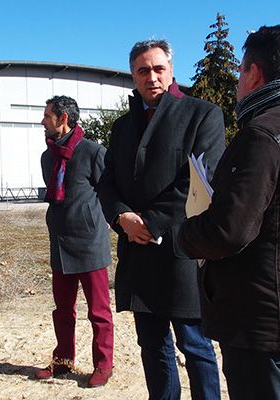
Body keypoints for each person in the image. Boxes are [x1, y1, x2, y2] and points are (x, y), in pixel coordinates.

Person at [177, 25, 280, 400]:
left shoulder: (262, 135)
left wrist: (185, 233)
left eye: (240, 71)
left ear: (254, 73)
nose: (238, 82)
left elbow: (228, 231)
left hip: (262, 320)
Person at [97, 40, 225, 400]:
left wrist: (150, 222)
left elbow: (199, 179)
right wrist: (121, 216)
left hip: (182, 248)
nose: (151, 77)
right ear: (133, 76)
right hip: (138, 253)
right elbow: (106, 182)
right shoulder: (123, 127)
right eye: (142, 70)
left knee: (195, 344)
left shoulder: (202, 115)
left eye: (158, 69)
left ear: (171, 70)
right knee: (152, 345)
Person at [35, 96, 114, 387]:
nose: (42, 121)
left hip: (90, 243)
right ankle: (63, 361)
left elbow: (109, 191)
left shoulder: (93, 152)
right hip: (60, 243)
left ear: (63, 118)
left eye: (47, 116)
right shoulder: (47, 157)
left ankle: (103, 365)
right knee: (62, 310)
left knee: (99, 311)